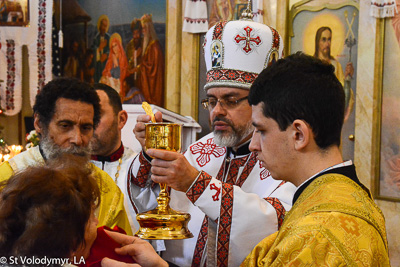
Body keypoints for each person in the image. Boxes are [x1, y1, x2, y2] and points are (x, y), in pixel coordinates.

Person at [129, 19, 296, 266]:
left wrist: (196, 183)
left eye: (230, 100)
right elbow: (148, 201)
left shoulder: (284, 157)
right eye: (212, 100)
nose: (217, 111)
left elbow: (273, 221)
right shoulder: (201, 149)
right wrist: (149, 154)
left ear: (262, 104)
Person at [242, 52, 390, 266]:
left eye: (261, 130)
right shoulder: (351, 198)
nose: (253, 145)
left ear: (299, 135)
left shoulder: (315, 235)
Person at [0, 77, 132, 235]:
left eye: (86, 127)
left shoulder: (106, 190)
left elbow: (121, 252)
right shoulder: (7, 179)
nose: (77, 139)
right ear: (39, 124)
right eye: (65, 126)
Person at [90, 83, 138, 232]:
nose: (88, 124)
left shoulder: (138, 167)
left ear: (121, 119)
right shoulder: (71, 168)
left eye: (96, 116)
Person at [314, 26, 354, 121]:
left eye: (329, 39)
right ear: (317, 42)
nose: (327, 44)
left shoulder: (336, 66)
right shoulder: (310, 64)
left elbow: (343, 95)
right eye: (323, 40)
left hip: (330, 115)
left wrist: (347, 78)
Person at [133, 14, 164, 106]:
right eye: (142, 29)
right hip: (147, 83)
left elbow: (152, 69)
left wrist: (140, 67)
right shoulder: (148, 44)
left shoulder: (154, 46)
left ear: (149, 29)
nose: (143, 32)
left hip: (152, 86)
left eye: (144, 29)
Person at [100, 33, 129, 101]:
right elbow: (105, 72)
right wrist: (107, 77)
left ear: (119, 46)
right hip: (111, 82)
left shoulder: (123, 58)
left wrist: (116, 65)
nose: (114, 48)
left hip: (120, 83)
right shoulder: (111, 58)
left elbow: (124, 73)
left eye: (116, 45)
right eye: (112, 46)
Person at [92, 15, 110, 83]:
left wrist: (106, 55)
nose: (104, 28)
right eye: (102, 25)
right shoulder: (96, 38)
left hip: (106, 65)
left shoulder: (108, 38)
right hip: (98, 67)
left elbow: (111, 50)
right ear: (99, 26)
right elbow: (92, 51)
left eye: (105, 26)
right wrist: (99, 48)